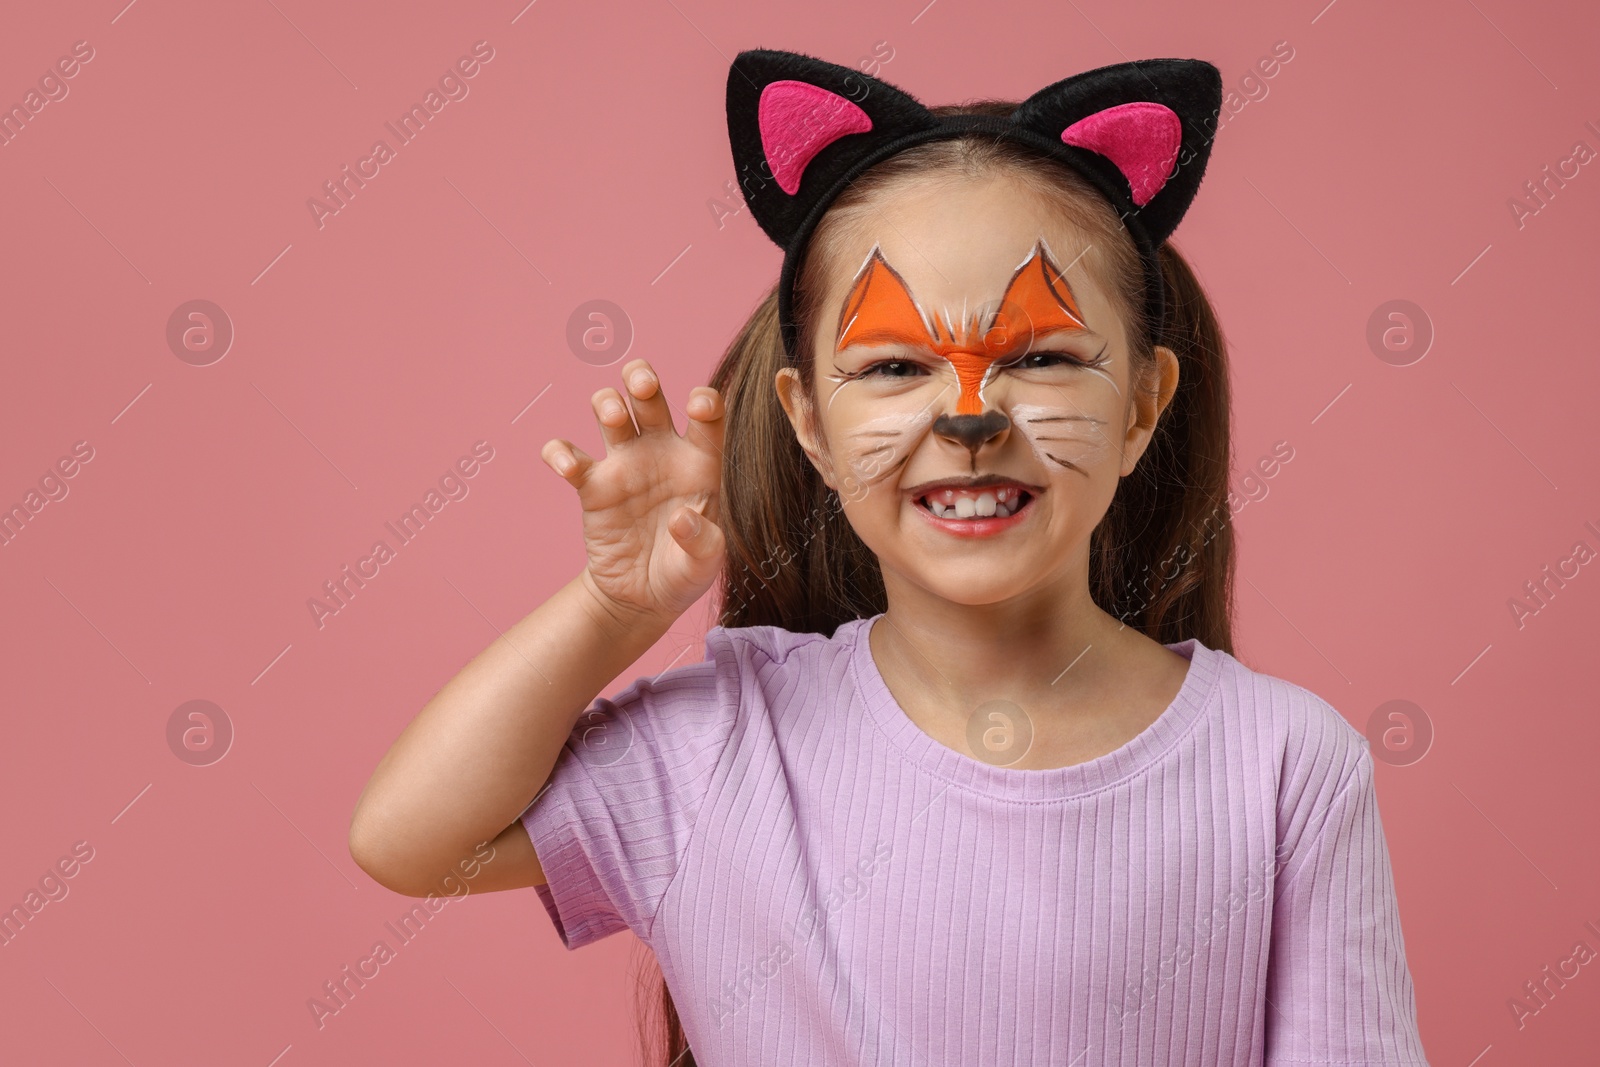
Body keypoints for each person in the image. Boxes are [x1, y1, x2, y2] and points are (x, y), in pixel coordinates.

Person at [349, 49, 1429, 1066]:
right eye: (894, 366)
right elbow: (413, 838)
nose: (967, 416)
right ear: (808, 422)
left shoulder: (1283, 762)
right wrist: (611, 610)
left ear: (1142, 403)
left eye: (1042, 357)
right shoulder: (728, 740)